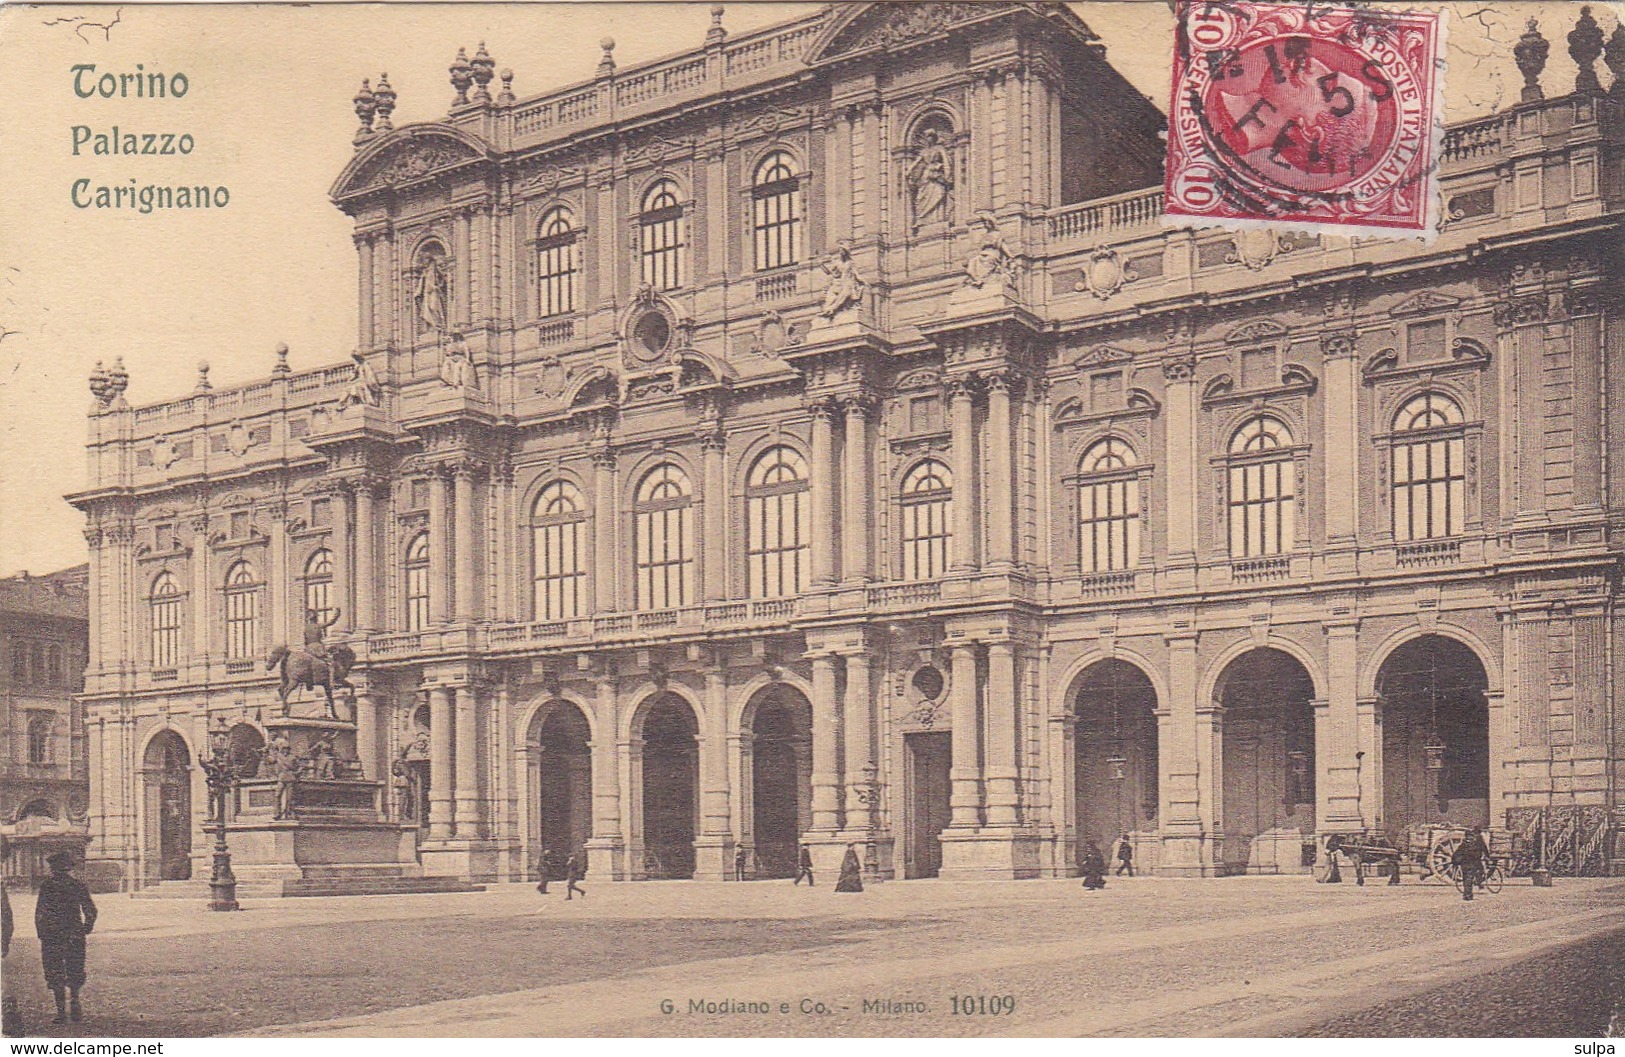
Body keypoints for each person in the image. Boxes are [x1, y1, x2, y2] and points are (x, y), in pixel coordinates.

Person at [36, 851, 97, 1024]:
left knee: (55, 971)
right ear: (69, 868)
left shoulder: (47, 886)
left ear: (54, 869)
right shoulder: (77, 885)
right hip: (73, 934)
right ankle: (76, 1004)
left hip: (52, 935)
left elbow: (39, 912)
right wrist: (86, 927)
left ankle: (61, 1012)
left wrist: (42, 933)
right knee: (74, 968)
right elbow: (91, 910)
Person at [1451, 826, 1489, 902]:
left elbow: (1456, 853)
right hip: (1473, 863)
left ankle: (1466, 894)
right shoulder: (1476, 842)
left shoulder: (1464, 844)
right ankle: (1469, 894)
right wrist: (1486, 856)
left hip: (1464, 864)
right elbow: (1482, 850)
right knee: (1470, 878)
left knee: (1466, 879)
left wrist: (1455, 861)